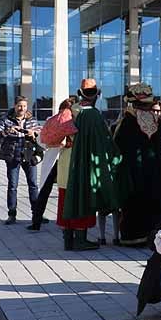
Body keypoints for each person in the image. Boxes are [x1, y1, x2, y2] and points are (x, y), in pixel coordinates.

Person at [62, 78, 129, 251]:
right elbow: (105, 141)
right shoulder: (93, 115)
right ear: (97, 95)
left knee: (74, 197)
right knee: (86, 196)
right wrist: (117, 156)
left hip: (75, 161)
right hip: (90, 163)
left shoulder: (75, 112)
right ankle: (80, 240)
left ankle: (69, 240)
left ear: (80, 93)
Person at [114, 84, 161, 246]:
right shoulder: (158, 123)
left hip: (133, 174)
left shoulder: (125, 122)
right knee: (154, 202)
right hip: (156, 176)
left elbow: (116, 146)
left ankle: (133, 237)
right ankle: (155, 235)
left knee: (135, 203)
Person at [31, 98, 77, 232]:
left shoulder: (52, 120)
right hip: (67, 160)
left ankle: (36, 222)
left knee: (44, 192)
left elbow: (41, 142)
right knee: (67, 192)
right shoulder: (75, 122)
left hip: (52, 159)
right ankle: (69, 223)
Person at [0, 96, 41, 225]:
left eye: (24, 106)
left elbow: (40, 133)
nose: (22, 108)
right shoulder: (6, 119)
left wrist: (34, 133)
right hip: (12, 156)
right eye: (19, 106)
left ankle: (37, 214)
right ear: (15, 105)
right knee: (12, 186)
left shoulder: (32, 120)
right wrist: (7, 131)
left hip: (29, 155)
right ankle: (12, 214)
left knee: (33, 185)